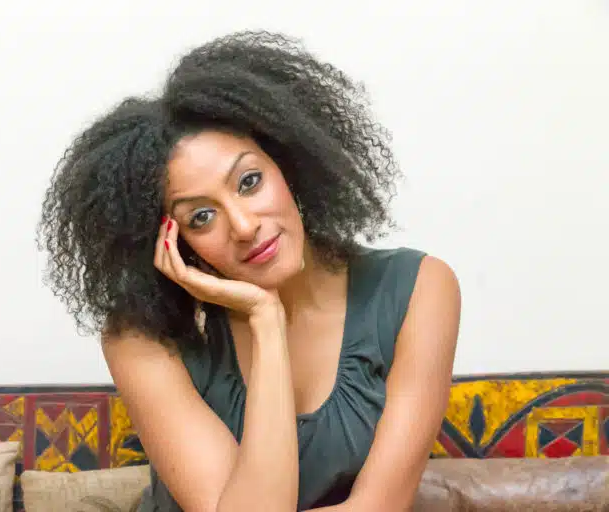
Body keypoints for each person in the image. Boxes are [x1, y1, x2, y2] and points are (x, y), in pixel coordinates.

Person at [38, 30, 461, 512]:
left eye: (249, 182)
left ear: (290, 165)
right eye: (201, 216)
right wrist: (266, 319)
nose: (243, 226)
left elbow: (379, 507)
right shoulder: (140, 338)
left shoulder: (418, 289)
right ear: (170, 240)